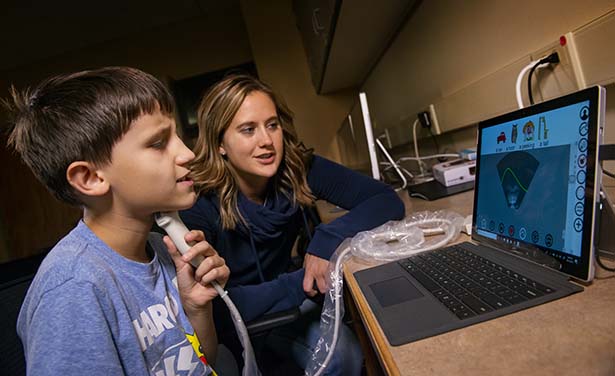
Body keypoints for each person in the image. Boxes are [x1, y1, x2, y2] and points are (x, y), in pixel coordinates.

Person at [5, 67, 231, 375]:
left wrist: (196, 308)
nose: (187, 154)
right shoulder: (73, 288)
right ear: (91, 178)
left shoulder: (161, 249)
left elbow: (204, 364)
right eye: (157, 142)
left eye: (176, 135)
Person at [180, 74, 405, 374]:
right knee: (339, 356)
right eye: (248, 130)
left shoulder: (297, 167)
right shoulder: (197, 204)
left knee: (352, 351)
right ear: (220, 143)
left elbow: (386, 200)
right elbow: (214, 308)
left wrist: (328, 239)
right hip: (240, 320)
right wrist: (302, 282)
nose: (267, 141)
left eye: (272, 125)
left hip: (284, 305)